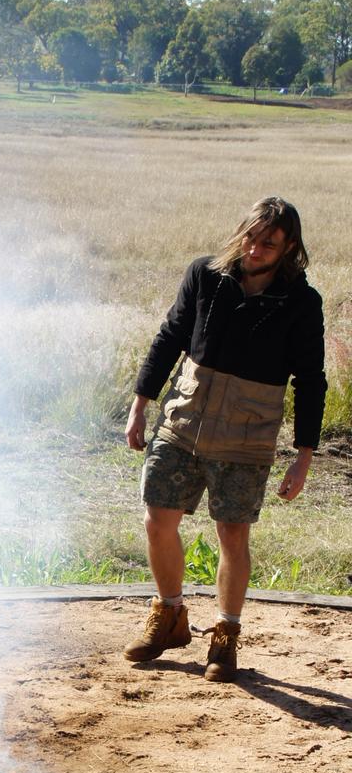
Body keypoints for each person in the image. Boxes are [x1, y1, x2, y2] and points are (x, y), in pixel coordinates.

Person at [123, 197, 326, 681]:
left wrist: (303, 457)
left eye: (269, 243)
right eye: (251, 238)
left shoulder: (301, 302)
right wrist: (140, 404)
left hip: (248, 435)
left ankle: (225, 635)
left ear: (288, 246)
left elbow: (310, 380)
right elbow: (170, 336)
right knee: (157, 519)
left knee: (233, 535)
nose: (255, 249)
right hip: (184, 419)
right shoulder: (205, 276)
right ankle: (169, 615)